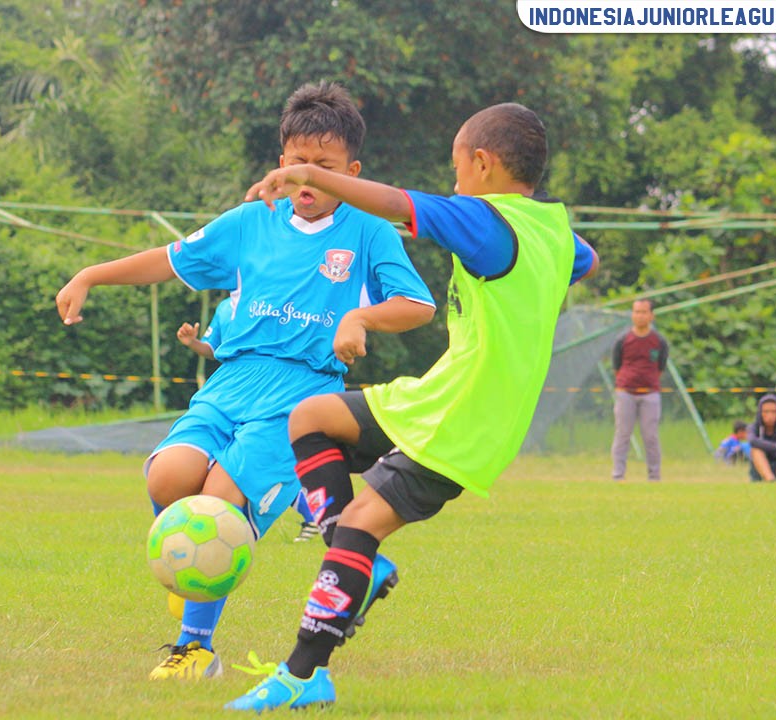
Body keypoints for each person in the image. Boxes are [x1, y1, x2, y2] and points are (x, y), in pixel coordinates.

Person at [55, 81, 436, 681]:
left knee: (216, 503)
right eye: (296, 164)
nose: (308, 179)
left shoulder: (368, 232)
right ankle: (230, 574)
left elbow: (419, 305)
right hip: (229, 384)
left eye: (325, 167)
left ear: (352, 172)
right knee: (168, 476)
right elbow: (170, 258)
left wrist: (359, 317)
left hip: (301, 396)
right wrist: (91, 275)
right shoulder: (251, 221)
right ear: (280, 162)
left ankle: (195, 648)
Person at [225, 102, 598, 711]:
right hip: (443, 395)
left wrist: (310, 175)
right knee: (312, 417)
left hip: (464, 420)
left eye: (457, 169)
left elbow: (398, 204)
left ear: (482, 163)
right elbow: (587, 260)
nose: (454, 184)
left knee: (358, 526)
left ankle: (303, 674)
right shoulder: (550, 230)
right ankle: (356, 568)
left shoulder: (485, 220)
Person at [178, 297, 321, 542]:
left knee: (254, 465)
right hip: (231, 394)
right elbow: (213, 349)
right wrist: (193, 343)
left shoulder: (273, 300)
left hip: (271, 393)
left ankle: (319, 515)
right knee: (231, 466)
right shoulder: (224, 308)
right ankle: (319, 514)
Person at [609, 299, 669, 481]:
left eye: (643, 312)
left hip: (650, 394)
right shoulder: (623, 340)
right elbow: (616, 366)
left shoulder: (659, 341)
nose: (639, 316)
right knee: (622, 435)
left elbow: (660, 367)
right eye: (636, 312)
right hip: (625, 392)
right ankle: (618, 476)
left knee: (650, 437)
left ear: (651, 315)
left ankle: (654, 476)